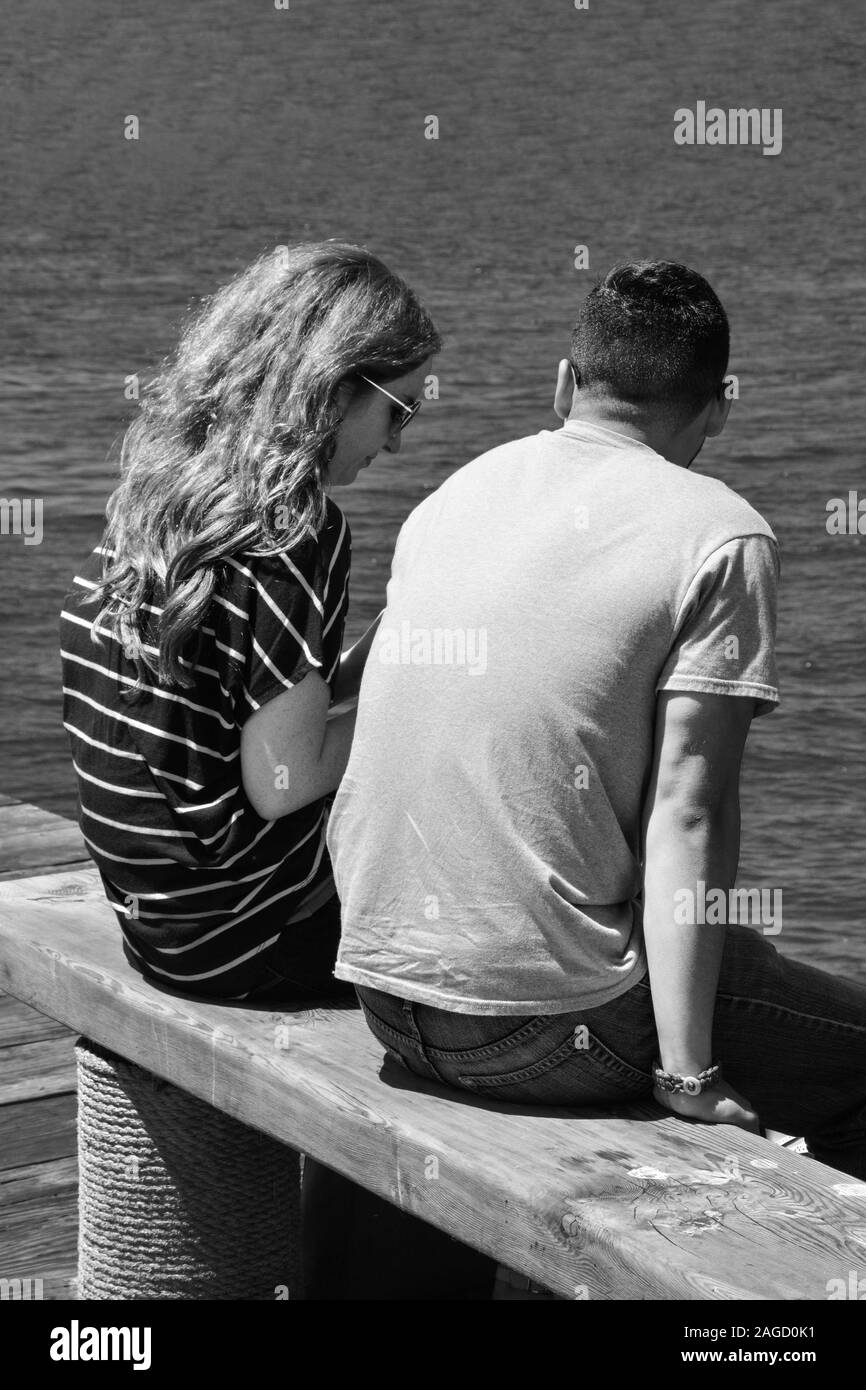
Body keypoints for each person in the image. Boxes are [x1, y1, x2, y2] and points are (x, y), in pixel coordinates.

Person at [328, 261, 866, 1192]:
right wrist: (689, 1077)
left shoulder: (451, 497)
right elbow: (688, 819)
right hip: (542, 1028)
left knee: (747, 966)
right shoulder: (720, 533)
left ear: (566, 383)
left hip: (383, 991)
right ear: (720, 408)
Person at [60, 240, 438, 1002]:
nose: (398, 440)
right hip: (250, 943)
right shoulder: (297, 533)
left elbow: (240, 718)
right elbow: (283, 781)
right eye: (398, 409)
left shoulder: (162, 495)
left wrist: (408, 640)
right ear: (330, 391)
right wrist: (432, 697)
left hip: (164, 927)